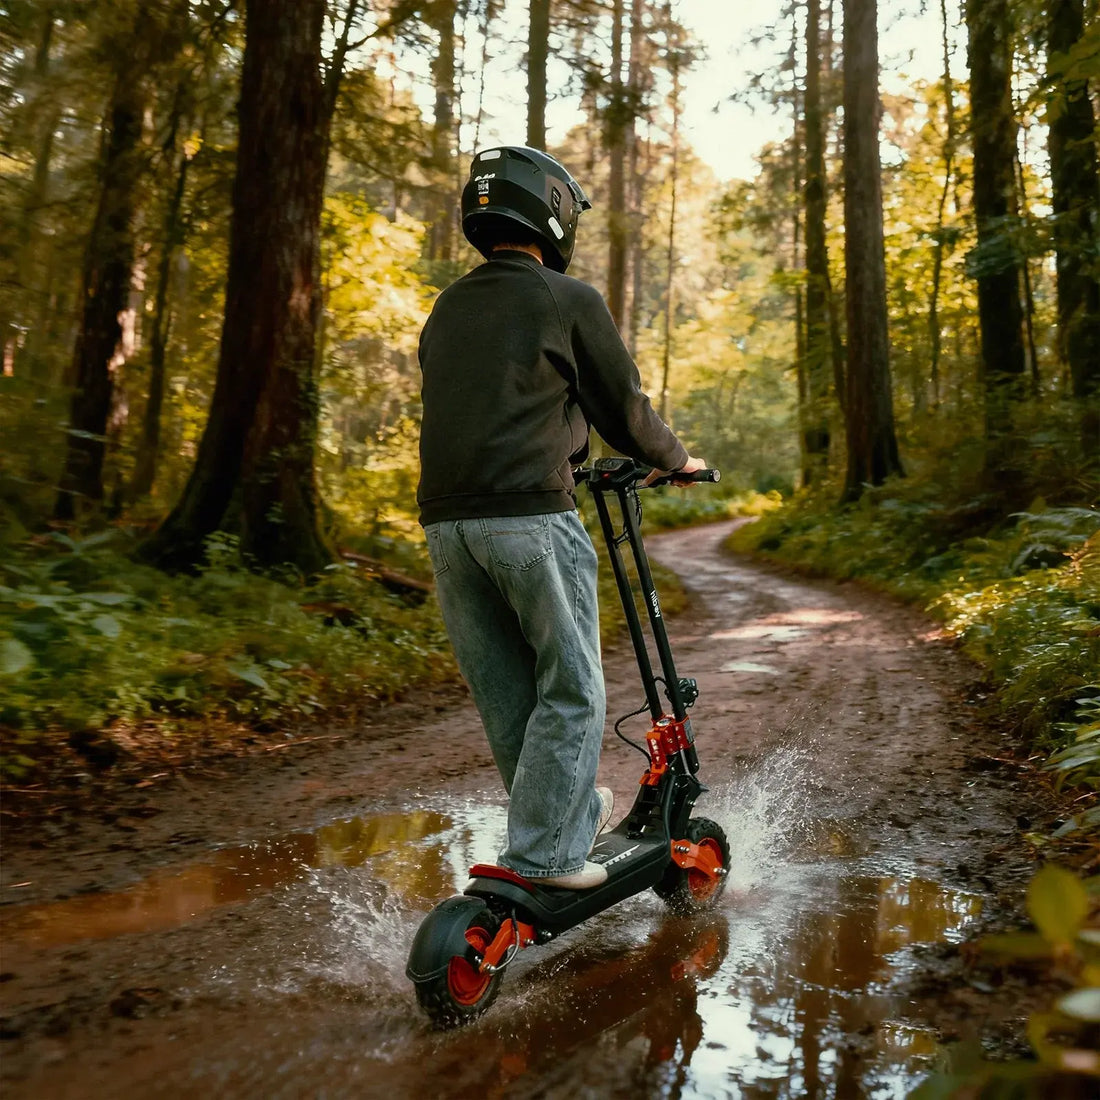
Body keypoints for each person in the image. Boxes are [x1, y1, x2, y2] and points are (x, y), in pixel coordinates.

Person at [417, 145, 705, 889]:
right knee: (572, 688)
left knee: (508, 695)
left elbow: (498, 408)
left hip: (447, 528)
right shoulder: (565, 298)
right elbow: (624, 407)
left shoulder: (448, 307)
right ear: (551, 211)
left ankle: (562, 823)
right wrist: (676, 460)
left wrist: (567, 451)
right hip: (530, 521)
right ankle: (547, 857)